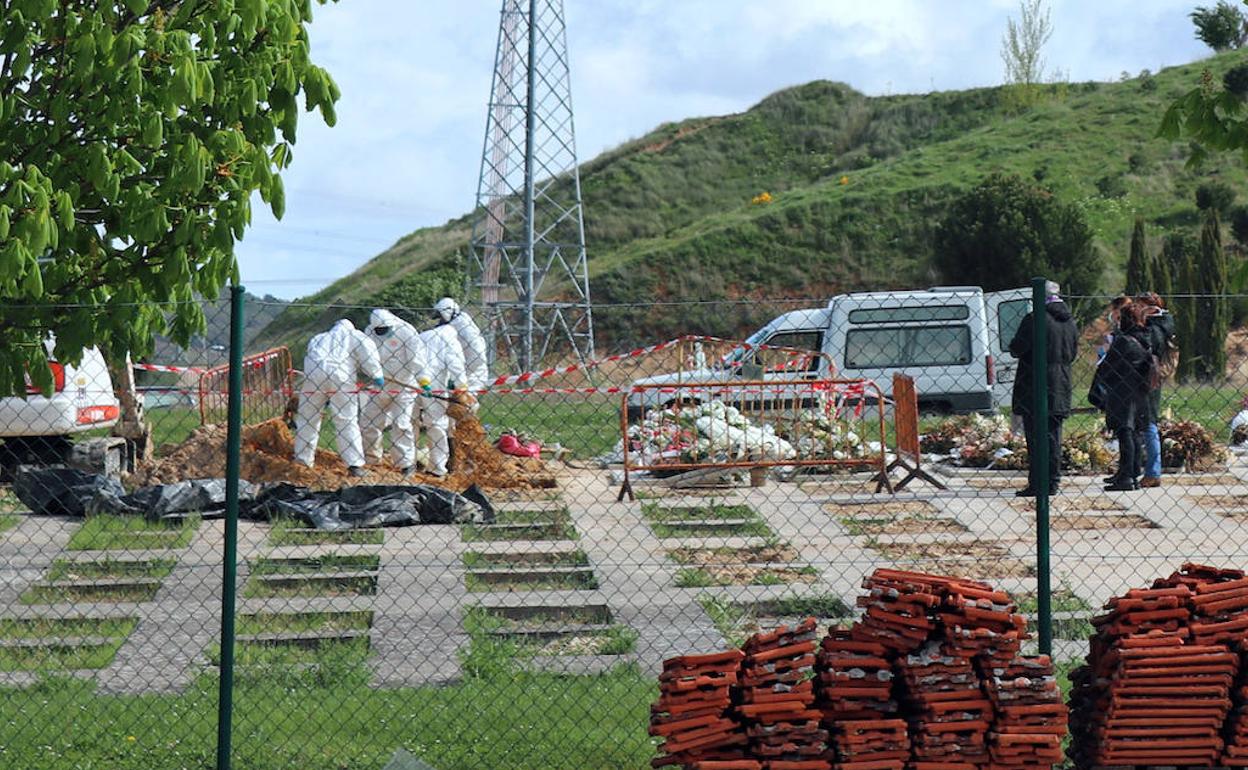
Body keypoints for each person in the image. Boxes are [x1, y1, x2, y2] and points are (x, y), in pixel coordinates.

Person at [1008, 280, 1079, 497]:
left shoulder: (1034, 319)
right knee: (1054, 436)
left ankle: (1037, 483)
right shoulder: (1070, 322)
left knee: (1036, 437)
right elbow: (1073, 353)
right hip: (1061, 383)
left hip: (1034, 384)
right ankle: (1053, 481)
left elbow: (1017, 348)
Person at [294, 319, 384, 477]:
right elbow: (368, 355)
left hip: (313, 375)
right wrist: (377, 375)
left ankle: (303, 460)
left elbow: (310, 356)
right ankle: (354, 465)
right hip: (341, 376)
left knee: (308, 418)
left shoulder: (319, 337)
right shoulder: (355, 335)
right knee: (346, 419)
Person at [361, 309, 429, 476]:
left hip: (404, 385)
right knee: (369, 421)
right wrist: (373, 373)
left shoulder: (407, 332)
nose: (382, 333)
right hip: (380, 384)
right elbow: (366, 356)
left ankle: (406, 464)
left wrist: (424, 381)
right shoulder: (369, 332)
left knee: (401, 424)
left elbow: (417, 359)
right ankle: (371, 460)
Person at [1093, 303, 1153, 491]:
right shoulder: (1144, 338)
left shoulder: (1124, 341)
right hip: (1139, 392)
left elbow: (1107, 367)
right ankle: (1131, 472)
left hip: (1122, 393)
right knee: (1133, 432)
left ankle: (1126, 476)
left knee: (1125, 432)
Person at [417, 319, 469, 477]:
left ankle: (407, 464)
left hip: (411, 381)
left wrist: (421, 380)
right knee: (437, 424)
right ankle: (438, 468)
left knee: (407, 423)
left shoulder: (422, 336)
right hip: (435, 384)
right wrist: (461, 388)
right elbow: (456, 365)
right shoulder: (450, 340)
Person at [1136, 292, 1175, 488]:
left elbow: (1146, 348)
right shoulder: (1160, 326)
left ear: (1150, 308)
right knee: (1146, 423)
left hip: (1148, 381)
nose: (1137, 310)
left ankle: (1153, 471)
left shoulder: (1155, 329)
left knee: (1149, 423)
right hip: (1150, 380)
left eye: (1141, 306)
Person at [433, 297, 489, 391]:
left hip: (473, 374)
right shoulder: (456, 324)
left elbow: (478, 356)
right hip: (462, 373)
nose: (440, 320)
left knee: (465, 403)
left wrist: (461, 375)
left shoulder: (465, 328)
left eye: (441, 317)